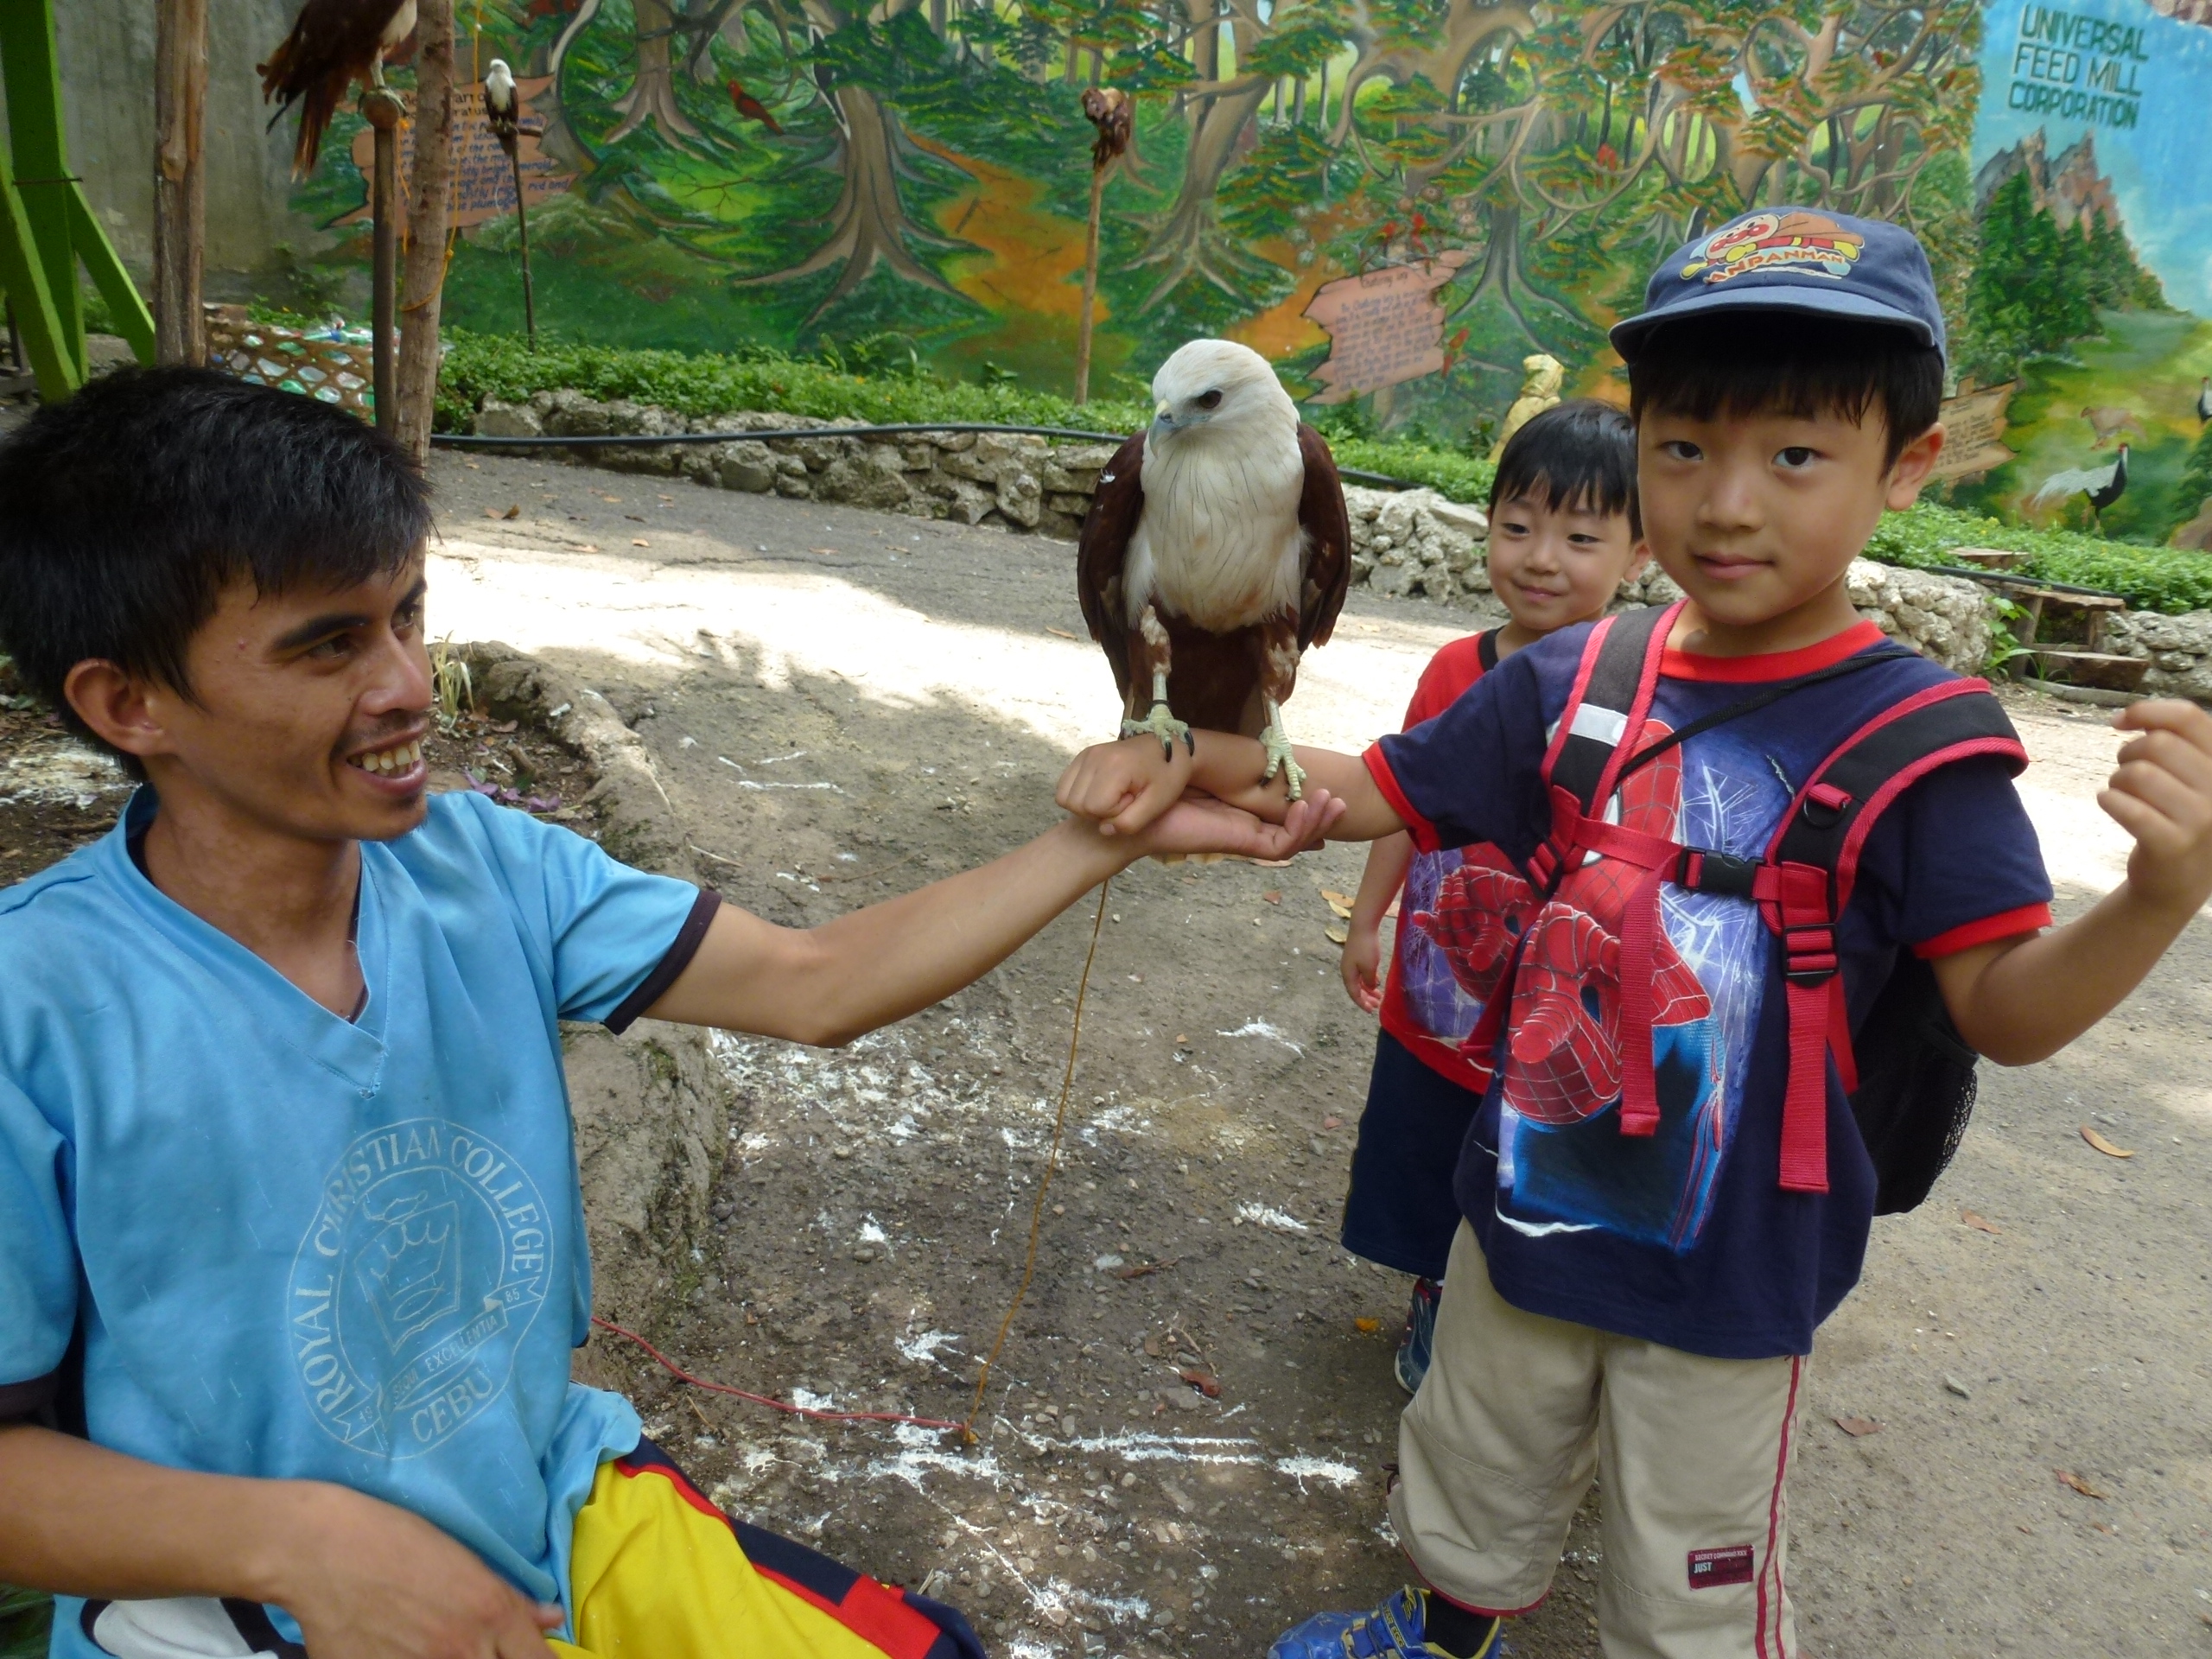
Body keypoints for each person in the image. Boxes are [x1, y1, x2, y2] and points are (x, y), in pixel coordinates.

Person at [0, 367, 1342, 1659]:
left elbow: (818, 987)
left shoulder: (489, 871)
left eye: (408, 614)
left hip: (546, 1506)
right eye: (330, 646)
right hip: (252, 1609)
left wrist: (1105, 838)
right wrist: (301, 1545)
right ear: (129, 703)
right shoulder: (38, 1006)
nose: (407, 682)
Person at [1056, 208, 2212, 1659]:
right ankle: (1435, 1634)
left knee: (1686, 1579)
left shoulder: (1927, 742)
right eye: (1684, 449)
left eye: (1795, 454)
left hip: (1732, 1279)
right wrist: (1187, 764)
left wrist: (2160, 897)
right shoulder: (1581, 672)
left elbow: (2008, 1013)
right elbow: (1366, 794)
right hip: (1524, 1212)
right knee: (1469, 1473)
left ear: (1905, 467)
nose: (1728, 502)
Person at [1338, 400, 1646, 1395]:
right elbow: (1398, 801)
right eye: (1517, 526)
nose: (1541, 557)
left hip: (1560, 997)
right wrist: (1365, 918)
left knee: (1540, 1164)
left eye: (1580, 536)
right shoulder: (1451, 670)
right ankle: (1437, 1300)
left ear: (1637, 553)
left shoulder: (1641, 691)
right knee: (1430, 1150)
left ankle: (1526, 1331)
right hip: (1442, 987)